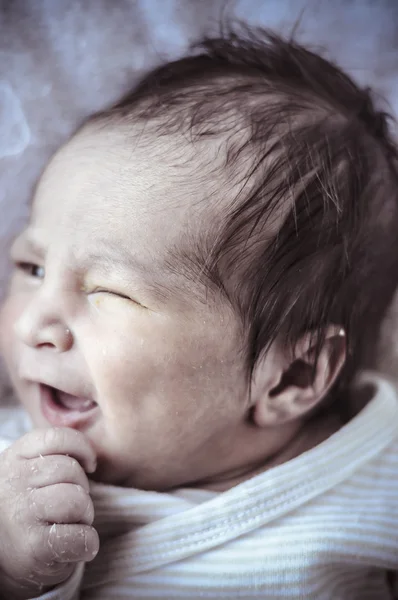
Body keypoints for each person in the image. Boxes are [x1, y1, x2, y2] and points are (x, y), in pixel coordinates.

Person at [0, 24, 398, 600]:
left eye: (109, 292)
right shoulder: (10, 472)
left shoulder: (380, 475)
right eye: (31, 268)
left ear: (292, 375)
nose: (34, 323)